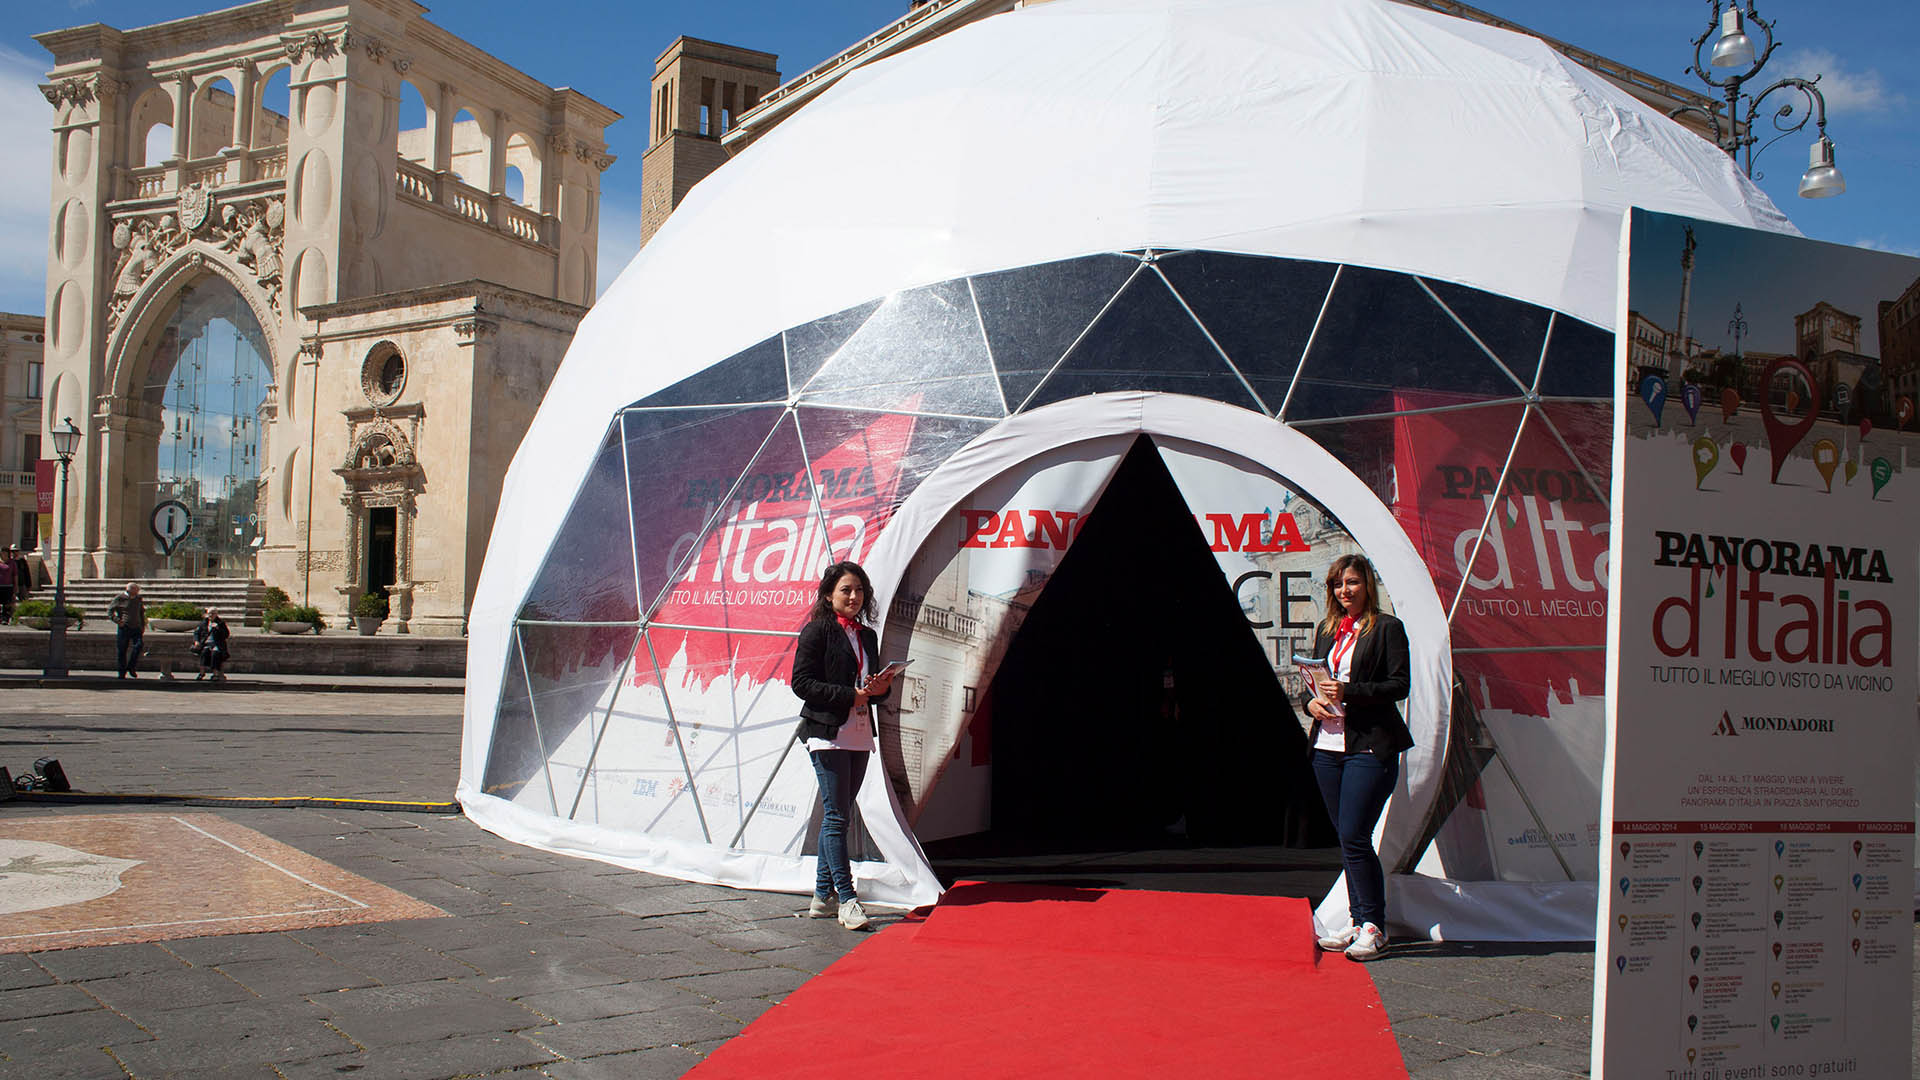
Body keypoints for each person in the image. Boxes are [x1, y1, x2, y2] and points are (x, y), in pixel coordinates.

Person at [1303, 553, 1413, 961]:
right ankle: (1356, 920)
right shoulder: (1328, 629)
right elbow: (1314, 683)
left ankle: (1374, 926)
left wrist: (1350, 692)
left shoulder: (1387, 629)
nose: (1344, 591)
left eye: (1351, 582)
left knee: (1354, 835)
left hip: (1369, 745)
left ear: (1367, 585)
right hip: (1327, 748)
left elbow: (1399, 685)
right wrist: (1308, 702)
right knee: (1348, 839)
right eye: (1337, 584)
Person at [790, 560, 897, 931]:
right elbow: (801, 683)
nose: (854, 597)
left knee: (840, 813)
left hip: (860, 729)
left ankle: (822, 895)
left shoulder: (867, 636)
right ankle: (847, 899)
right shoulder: (817, 631)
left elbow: (872, 689)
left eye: (859, 590)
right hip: (828, 732)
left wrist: (880, 688)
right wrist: (848, 695)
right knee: (837, 816)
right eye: (846, 590)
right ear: (828, 595)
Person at [107, 582, 147, 679]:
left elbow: (141, 612)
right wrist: (118, 621)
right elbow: (110, 611)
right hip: (124, 627)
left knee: (139, 645)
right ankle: (121, 672)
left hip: (136, 627)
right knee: (122, 650)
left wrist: (142, 625)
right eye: (136, 590)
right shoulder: (120, 598)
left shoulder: (138, 599)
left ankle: (131, 667)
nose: (137, 592)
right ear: (130, 589)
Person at [192, 608, 231, 681]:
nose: (211, 615)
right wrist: (196, 641)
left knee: (215, 654)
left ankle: (215, 674)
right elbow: (196, 633)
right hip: (206, 644)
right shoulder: (204, 623)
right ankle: (202, 673)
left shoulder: (220, 623)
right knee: (204, 653)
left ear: (216, 614)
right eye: (209, 613)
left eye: (213, 613)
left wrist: (218, 628)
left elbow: (226, 635)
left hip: (217, 644)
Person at [0, 547, 14, 624]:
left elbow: (15, 575)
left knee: (7, 603)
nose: (4, 554)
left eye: (6, 552)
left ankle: (5, 619)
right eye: (3, 552)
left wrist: (16, 587)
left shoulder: (11, 562)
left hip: (8, 586)